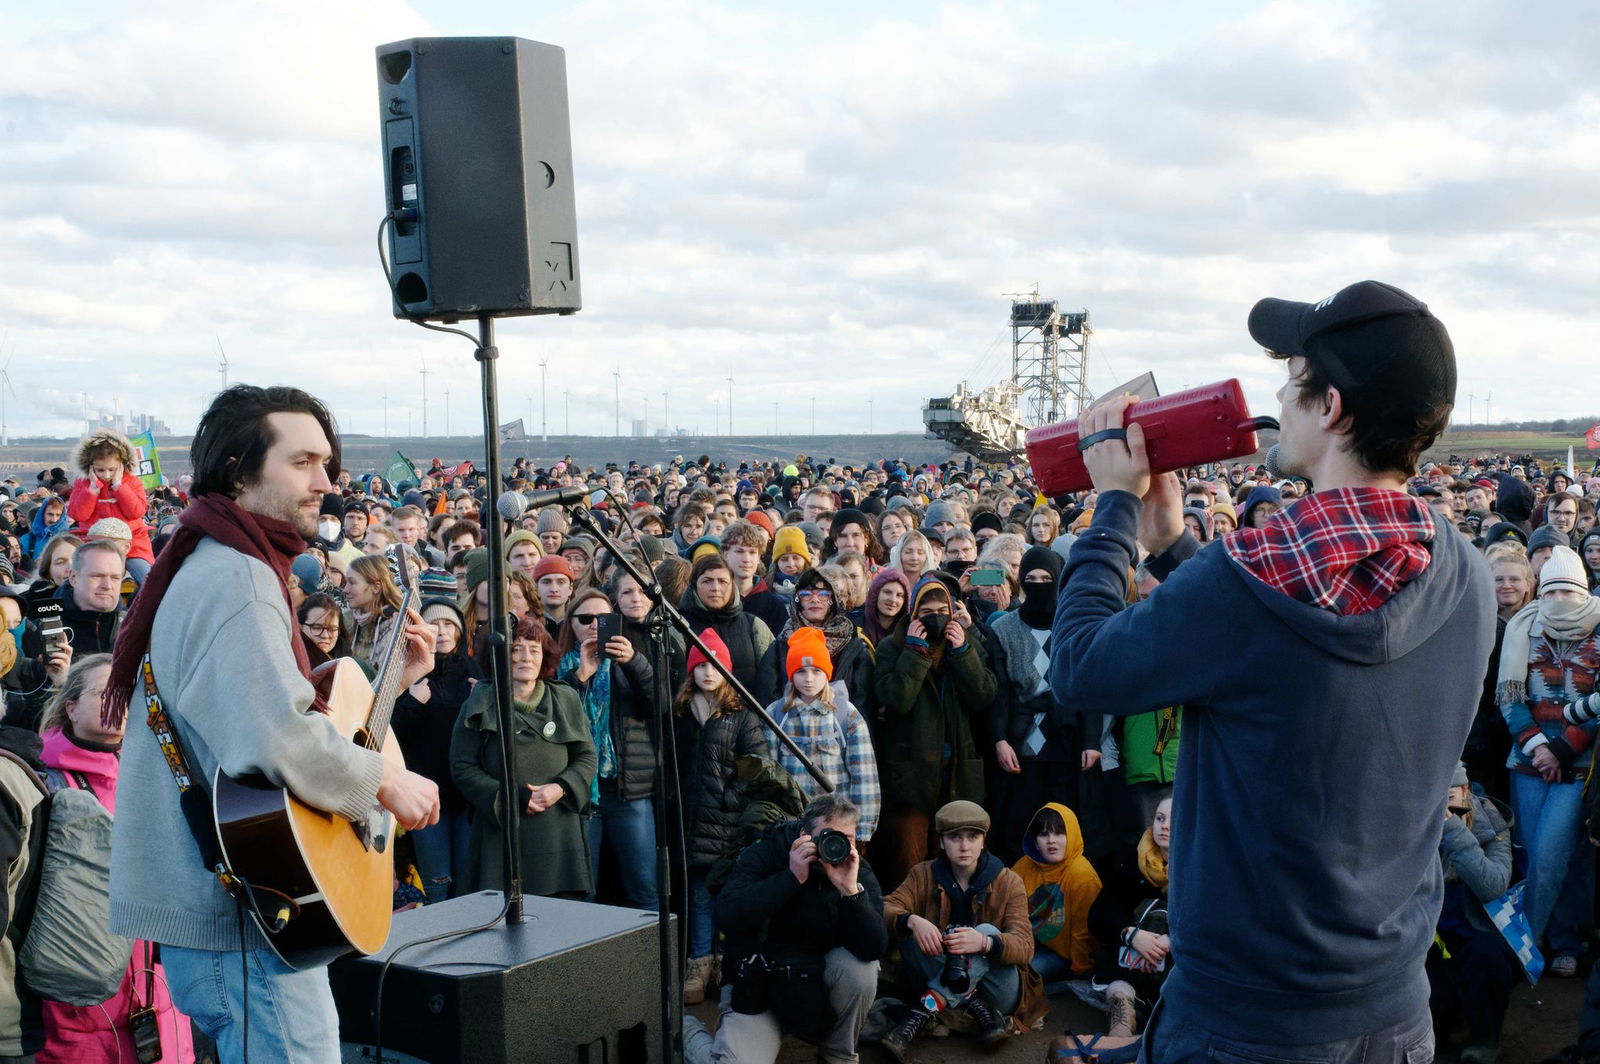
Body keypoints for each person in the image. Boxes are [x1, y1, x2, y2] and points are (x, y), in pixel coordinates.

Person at [1050, 282, 1492, 1059]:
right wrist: (1176, 550)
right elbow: (1296, 665)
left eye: (1293, 377)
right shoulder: (1468, 573)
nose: (1281, 397)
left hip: (1245, 1020)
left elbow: (1081, 667)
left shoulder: (1241, 583)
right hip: (1393, 1005)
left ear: (1331, 409)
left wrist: (1114, 510)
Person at [105, 384, 441, 1064]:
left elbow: (247, 712)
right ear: (239, 470)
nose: (326, 480)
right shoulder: (238, 578)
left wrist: (392, 685)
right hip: (247, 923)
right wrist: (383, 779)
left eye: (327, 463)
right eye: (303, 462)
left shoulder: (214, 561)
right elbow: (276, 737)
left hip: (240, 917)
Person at [34, 655, 195, 1064]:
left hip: (162, 994)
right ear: (70, 707)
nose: (119, 701)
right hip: (82, 1008)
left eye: (128, 691)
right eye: (106, 691)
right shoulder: (44, 782)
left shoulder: (160, 770)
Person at [704, 793, 886, 1064]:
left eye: (847, 838)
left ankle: (838, 1054)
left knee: (862, 970)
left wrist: (850, 892)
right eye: (827, 835)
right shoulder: (767, 852)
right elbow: (726, 915)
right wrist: (792, 877)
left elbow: (875, 947)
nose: (836, 845)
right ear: (804, 834)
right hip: (759, 984)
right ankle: (687, 1034)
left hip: (814, 979)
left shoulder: (855, 869)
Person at [1496, 545, 1600, 977]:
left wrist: (1563, 748)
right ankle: (1558, 940)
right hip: (1527, 761)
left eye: (1569, 592)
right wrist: (1539, 746)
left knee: (1553, 855)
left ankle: (1529, 944)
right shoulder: (1524, 626)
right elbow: (1510, 696)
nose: (1559, 601)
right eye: (1552, 591)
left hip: (1580, 765)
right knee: (1530, 853)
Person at [880, 800, 1046, 1060]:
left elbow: (1025, 947)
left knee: (988, 929)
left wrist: (985, 943)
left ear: (983, 841)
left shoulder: (1009, 881)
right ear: (942, 842)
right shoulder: (922, 874)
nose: (964, 845)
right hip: (943, 972)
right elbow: (884, 908)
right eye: (955, 837)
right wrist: (912, 920)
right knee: (911, 933)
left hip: (998, 991)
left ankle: (919, 1015)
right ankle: (974, 1005)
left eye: (973, 836)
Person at [451, 615, 595, 899]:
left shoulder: (565, 699)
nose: (525, 657)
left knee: (561, 925)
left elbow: (586, 756)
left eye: (534, 649)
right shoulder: (478, 701)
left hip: (558, 832)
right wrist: (511, 797)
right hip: (500, 834)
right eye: (516, 649)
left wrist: (560, 788)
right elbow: (462, 767)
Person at [871, 574, 998, 896]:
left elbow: (983, 696)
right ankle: (905, 923)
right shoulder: (893, 647)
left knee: (955, 857)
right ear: (913, 613)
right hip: (909, 778)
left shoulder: (968, 644)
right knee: (908, 856)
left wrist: (964, 651)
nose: (936, 616)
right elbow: (895, 699)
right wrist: (915, 653)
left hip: (957, 773)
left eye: (943, 608)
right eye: (927, 610)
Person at [673, 629, 773, 1005]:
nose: (708, 672)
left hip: (728, 822)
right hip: (693, 821)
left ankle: (726, 962)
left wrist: (730, 800)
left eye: (715, 664)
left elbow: (756, 766)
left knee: (727, 896)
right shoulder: (681, 713)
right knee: (699, 896)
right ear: (692, 671)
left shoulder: (741, 717)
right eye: (701, 665)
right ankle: (699, 962)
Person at [555, 588, 660, 910]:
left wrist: (634, 663)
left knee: (644, 885)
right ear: (570, 624)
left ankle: (651, 960)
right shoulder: (561, 666)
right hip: (578, 790)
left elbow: (660, 707)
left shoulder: (632, 659)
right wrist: (581, 676)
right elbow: (556, 719)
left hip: (627, 788)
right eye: (585, 619)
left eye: (603, 619)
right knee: (583, 890)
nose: (594, 627)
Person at [392, 598, 481, 905]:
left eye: (449, 624)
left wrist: (480, 702)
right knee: (437, 884)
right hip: (425, 798)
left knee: (468, 884)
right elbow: (391, 735)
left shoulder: (476, 674)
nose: (441, 632)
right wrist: (413, 702)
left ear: (460, 631)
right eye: (434, 625)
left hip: (467, 796)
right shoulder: (408, 673)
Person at [1427, 764, 1517, 1064]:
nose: (1441, 804)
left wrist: (1451, 827)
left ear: (1465, 792)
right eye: (1434, 797)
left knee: (1487, 958)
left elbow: (1492, 885)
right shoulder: (1413, 818)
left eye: (1449, 796)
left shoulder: (1492, 823)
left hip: (1476, 929)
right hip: (1429, 933)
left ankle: (1485, 1038)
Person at [767, 627, 880, 840]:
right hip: (791, 826)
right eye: (801, 671)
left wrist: (862, 831)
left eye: (816, 671)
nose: (808, 679)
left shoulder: (847, 715)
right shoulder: (775, 714)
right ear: (791, 675)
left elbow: (865, 776)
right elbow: (769, 777)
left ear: (827, 673)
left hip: (837, 826)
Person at [1009, 802, 1100, 994]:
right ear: (1035, 841)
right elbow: (1004, 902)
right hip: (1027, 944)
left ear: (1072, 835)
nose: (1051, 840)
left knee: (1017, 976)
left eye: (1059, 833)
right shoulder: (1025, 865)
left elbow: (1084, 933)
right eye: (1044, 834)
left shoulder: (1082, 875)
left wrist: (1082, 973)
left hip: (1063, 955)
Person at [65, 429, 154, 586]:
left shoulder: (132, 482)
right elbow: (79, 514)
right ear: (90, 466)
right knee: (81, 578)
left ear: (121, 465)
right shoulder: (82, 483)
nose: (106, 475)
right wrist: (92, 490)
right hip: (93, 543)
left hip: (131, 543)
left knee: (147, 576)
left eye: (111, 469)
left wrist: (119, 487)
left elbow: (137, 511)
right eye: (100, 470)